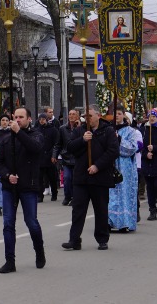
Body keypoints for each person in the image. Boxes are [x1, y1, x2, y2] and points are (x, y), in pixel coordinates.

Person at [0, 107, 46, 273]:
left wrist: (19, 133)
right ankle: (10, 261)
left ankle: (39, 251)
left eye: (21, 117)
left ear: (29, 119)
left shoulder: (36, 135)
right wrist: (7, 175)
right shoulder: (7, 139)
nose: (17, 119)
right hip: (10, 187)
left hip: (28, 186)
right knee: (8, 224)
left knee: (31, 222)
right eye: (15, 117)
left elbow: (36, 148)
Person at [62, 105, 119, 251]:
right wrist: (82, 140)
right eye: (85, 116)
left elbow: (113, 151)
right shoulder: (79, 130)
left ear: (98, 115)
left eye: (90, 116)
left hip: (100, 177)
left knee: (100, 209)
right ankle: (74, 239)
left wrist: (97, 166)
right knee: (78, 210)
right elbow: (69, 147)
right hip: (81, 176)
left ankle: (102, 239)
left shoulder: (108, 131)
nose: (87, 119)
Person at [108, 108, 140, 232]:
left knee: (124, 193)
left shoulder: (131, 131)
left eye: (119, 114)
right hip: (109, 164)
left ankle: (124, 222)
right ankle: (109, 221)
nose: (116, 116)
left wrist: (119, 139)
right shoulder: (107, 130)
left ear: (124, 116)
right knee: (109, 194)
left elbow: (132, 148)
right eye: (114, 114)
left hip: (124, 166)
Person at [54, 109, 80, 206]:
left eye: (74, 114)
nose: (72, 116)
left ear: (77, 116)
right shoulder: (62, 128)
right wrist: (54, 155)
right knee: (67, 177)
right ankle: (67, 196)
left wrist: (79, 127)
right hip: (66, 157)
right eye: (70, 114)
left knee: (75, 179)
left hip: (77, 157)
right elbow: (58, 144)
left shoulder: (81, 128)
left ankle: (75, 197)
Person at [37, 113, 59, 202]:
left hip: (50, 157)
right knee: (39, 178)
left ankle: (54, 193)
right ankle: (40, 195)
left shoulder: (53, 130)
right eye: (40, 119)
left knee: (52, 177)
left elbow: (56, 143)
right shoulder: (37, 130)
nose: (41, 121)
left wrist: (54, 155)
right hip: (40, 157)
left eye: (43, 119)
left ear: (46, 119)